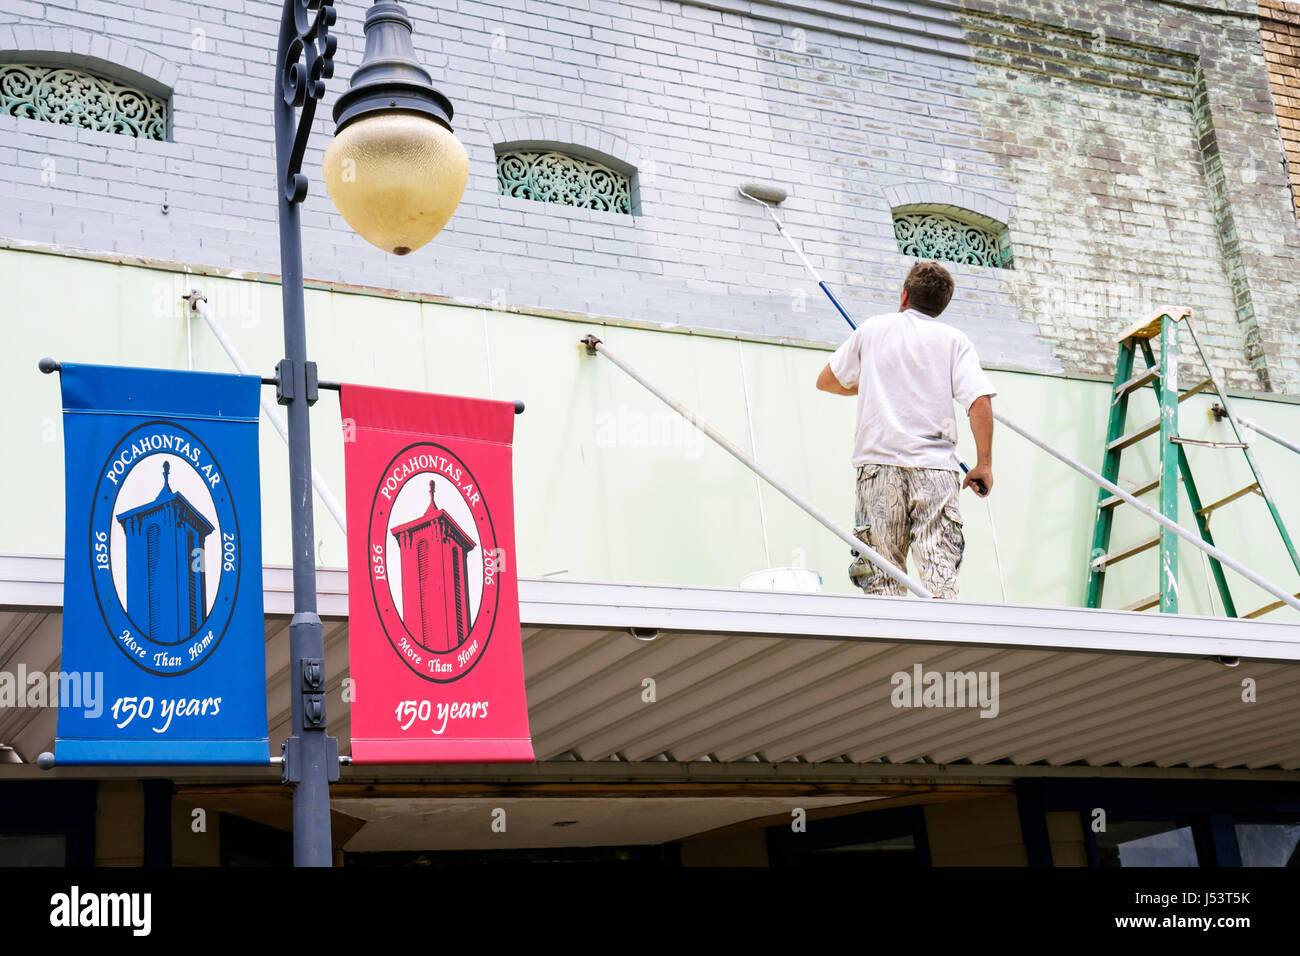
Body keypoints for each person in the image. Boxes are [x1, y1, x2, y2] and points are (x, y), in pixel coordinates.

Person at [815, 260, 996, 598]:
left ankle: (892, 644)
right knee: (939, 573)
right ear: (941, 306)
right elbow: (979, 402)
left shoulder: (872, 330)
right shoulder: (954, 340)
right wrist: (983, 465)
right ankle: (946, 642)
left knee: (882, 578)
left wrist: (867, 381)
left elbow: (826, 381)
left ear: (903, 297)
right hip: (936, 470)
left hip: (880, 467)